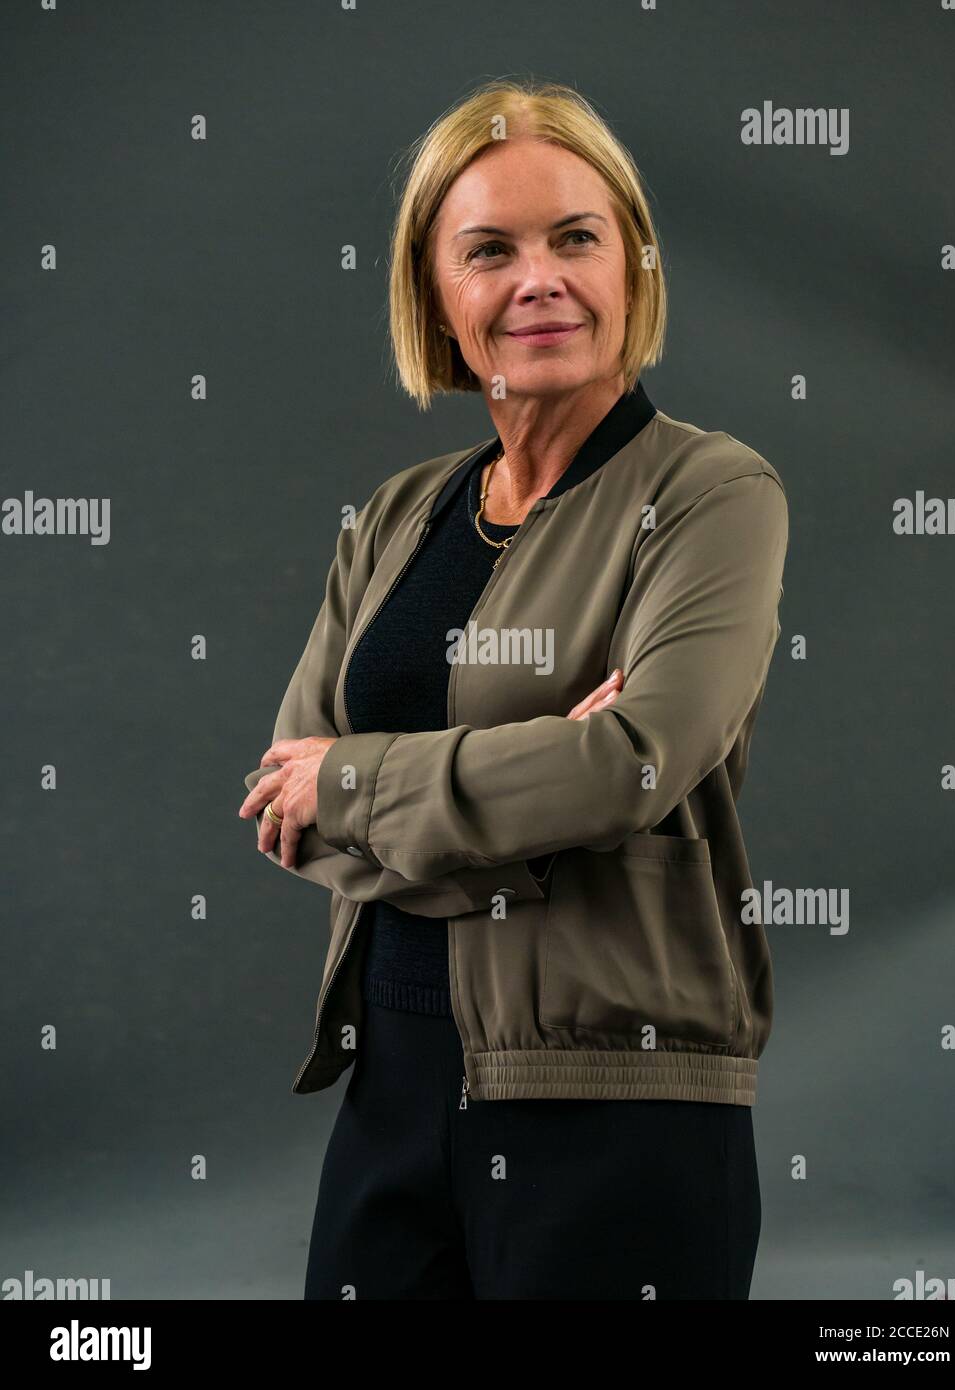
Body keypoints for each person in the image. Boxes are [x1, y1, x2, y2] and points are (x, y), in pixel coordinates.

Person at [238, 77, 789, 1300]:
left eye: (575, 237)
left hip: (617, 1104)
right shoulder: (397, 517)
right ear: (437, 296)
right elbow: (287, 797)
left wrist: (365, 781)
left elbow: (636, 760)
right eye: (488, 249)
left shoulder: (712, 493)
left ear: (632, 266)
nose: (538, 278)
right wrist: (534, 786)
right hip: (391, 1084)